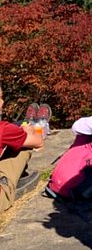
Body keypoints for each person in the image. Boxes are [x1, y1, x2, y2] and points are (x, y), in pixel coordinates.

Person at [0, 82, 45, 213]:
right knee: (23, 148)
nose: (2, 102)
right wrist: (30, 131)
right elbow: (38, 142)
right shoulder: (3, 129)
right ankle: (37, 124)